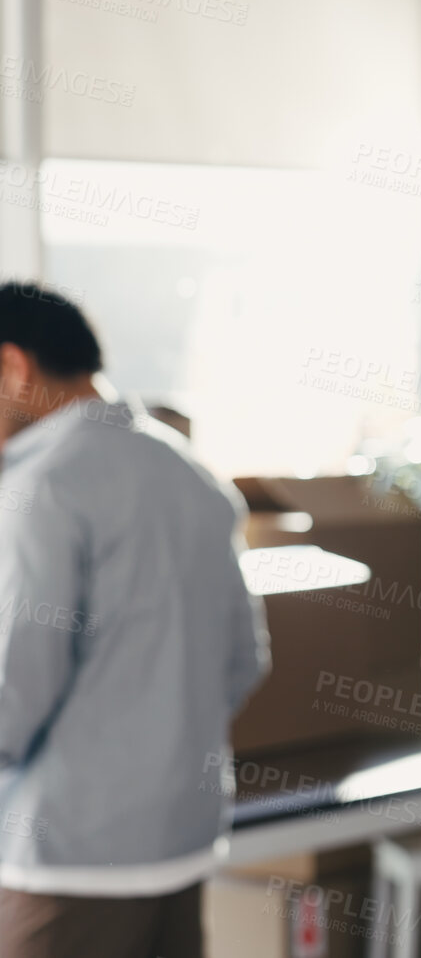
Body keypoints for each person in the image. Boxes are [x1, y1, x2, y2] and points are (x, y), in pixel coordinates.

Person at [0, 282, 270, 958]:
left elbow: (14, 691)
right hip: (183, 841)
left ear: (13, 368)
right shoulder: (191, 472)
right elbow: (245, 660)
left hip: (69, 862)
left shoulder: (42, 484)